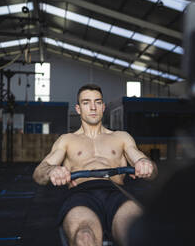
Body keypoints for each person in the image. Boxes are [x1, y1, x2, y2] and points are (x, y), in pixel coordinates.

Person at [32, 84, 157, 246]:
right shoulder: (67, 140)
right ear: (78, 109)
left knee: (137, 235)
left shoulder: (121, 137)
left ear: (103, 107)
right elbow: (39, 173)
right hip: (81, 195)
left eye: (97, 102)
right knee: (84, 237)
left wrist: (145, 164)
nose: (92, 107)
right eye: (86, 102)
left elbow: (150, 168)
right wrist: (52, 171)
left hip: (116, 192)